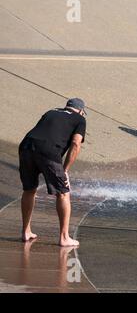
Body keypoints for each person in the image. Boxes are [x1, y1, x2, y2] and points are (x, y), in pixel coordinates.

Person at [18, 98, 87, 247]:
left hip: (26, 146)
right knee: (63, 192)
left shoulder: (51, 111)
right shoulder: (80, 119)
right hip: (48, 150)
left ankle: (26, 231)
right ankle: (64, 237)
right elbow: (75, 144)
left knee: (29, 189)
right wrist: (65, 170)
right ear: (81, 111)